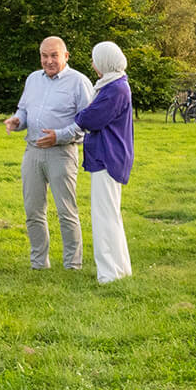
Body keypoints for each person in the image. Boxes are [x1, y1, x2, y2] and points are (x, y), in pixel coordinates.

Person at [5, 36, 93, 270]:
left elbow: (87, 121)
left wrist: (59, 135)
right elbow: (23, 109)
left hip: (62, 152)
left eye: (54, 55)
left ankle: (72, 264)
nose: (48, 60)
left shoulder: (79, 82)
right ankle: (39, 263)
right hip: (32, 151)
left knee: (66, 211)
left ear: (66, 56)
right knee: (33, 210)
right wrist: (17, 120)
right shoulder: (33, 79)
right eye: (44, 55)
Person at [54, 41, 135, 284]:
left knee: (104, 217)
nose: (93, 64)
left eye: (95, 59)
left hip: (108, 156)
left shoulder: (115, 89)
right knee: (111, 214)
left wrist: (80, 116)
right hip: (110, 155)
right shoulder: (115, 84)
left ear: (106, 61)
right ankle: (121, 269)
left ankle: (109, 273)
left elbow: (90, 118)